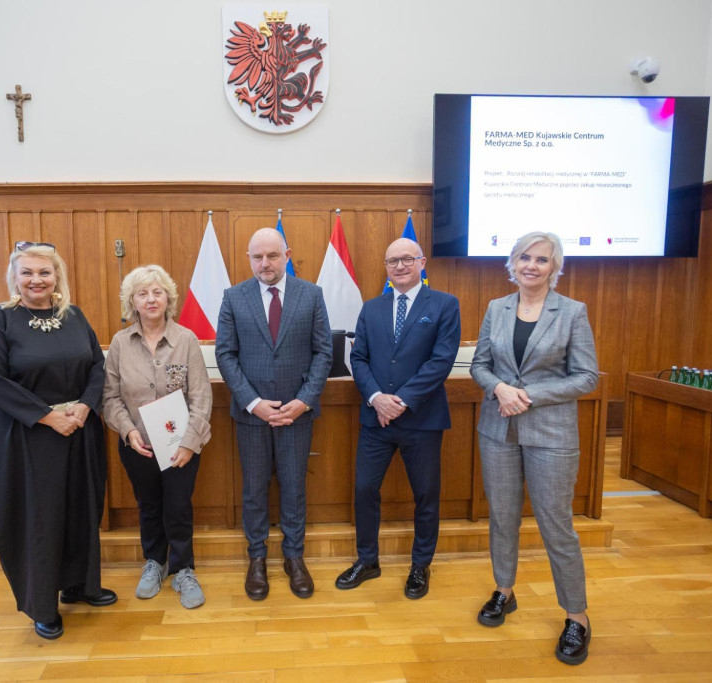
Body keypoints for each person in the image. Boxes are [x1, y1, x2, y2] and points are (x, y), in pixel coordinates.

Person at [0, 242, 114, 641]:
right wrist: (48, 417)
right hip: (25, 435)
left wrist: (84, 408)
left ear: (57, 277)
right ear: (14, 277)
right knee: (39, 517)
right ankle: (42, 604)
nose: (36, 280)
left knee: (81, 508)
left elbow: (96, 367)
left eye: (44, 273)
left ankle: (81, 585)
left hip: (79, 430)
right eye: (28, 273)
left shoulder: (74, 316)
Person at [470, 231, 599, 665]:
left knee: (555, 526)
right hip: (499, 431)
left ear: (554, 268)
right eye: (524, 257)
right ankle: (504, 591)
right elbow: (480, 365)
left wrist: (529, 395)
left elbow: (587, 377)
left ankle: (576, 617)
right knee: (503, 518)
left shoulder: (573, 312)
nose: (532, 265)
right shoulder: (496, 308)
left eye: (542, 260)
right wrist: (500, 388)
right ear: (512, 263)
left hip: (551, 434)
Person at [335, 237, 460, 600]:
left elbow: (441, 360)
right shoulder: (372, 308)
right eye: (393, 261)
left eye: (407, 259)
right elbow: (358, 358)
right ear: (386, 267)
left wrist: (402, 401)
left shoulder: (444, 305)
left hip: (422, 420)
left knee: (425, 495)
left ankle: (420, 566)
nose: (400, 266)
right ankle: (367, 560)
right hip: (377, 420)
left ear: (422, 262)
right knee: (363, 490)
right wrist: (376, 397)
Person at [215, 227, 333, 600]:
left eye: (272, 256)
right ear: (249, 258)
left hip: (297, 412)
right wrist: (254, 402)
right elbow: (225, 355)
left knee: (295, 487)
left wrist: (303, 401)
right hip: (252, 415)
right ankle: (257, 559)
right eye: (257, 257)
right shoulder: (233, 297)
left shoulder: (311, 294)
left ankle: (294, 558)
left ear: (287, 254)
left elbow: (324, 353)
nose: (264, 263)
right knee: (254, 490)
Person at [102, 265, 212, 609]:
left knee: (178, 506)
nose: (150, 299)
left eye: (157, 292)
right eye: (142, 293)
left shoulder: (187, 340)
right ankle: (154, 561)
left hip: (181, 447)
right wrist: (128, 430)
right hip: (138, 445)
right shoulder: (120, 343)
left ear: (168, 299)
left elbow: (201, 396)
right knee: (148, 506)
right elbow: (109, 397)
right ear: (132, 302)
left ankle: (182, 569)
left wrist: (189, 443)